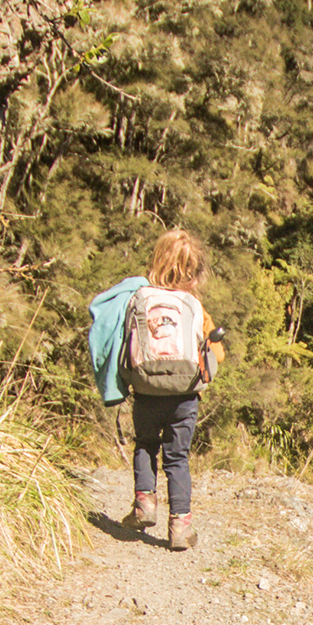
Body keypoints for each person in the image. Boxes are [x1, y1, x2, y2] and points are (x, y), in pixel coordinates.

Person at [119, 228, 226, 551]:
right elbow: (217, 355)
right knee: (177, 457)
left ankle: (144, 504)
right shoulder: (194, 306)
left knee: (145, 444)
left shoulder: (139, 298)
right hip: (185, 394)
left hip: (147, 388)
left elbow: (124, 342)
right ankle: (180, 526)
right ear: (194, 275)